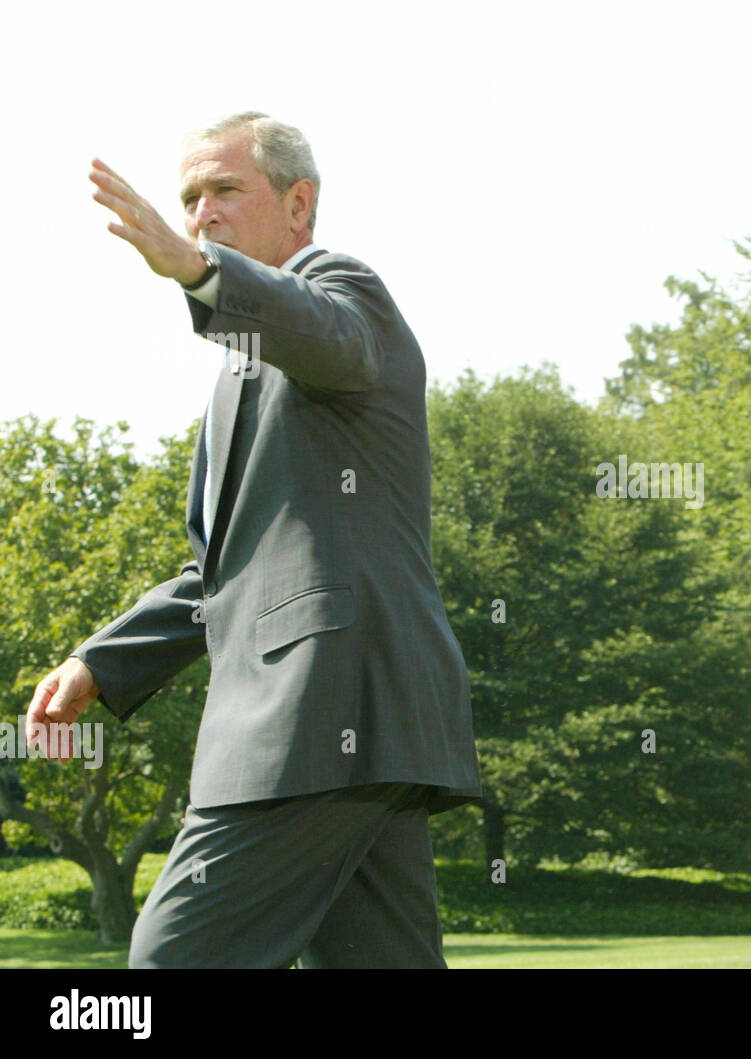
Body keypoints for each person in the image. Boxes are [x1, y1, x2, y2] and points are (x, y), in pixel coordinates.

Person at [24, 112, 481, 968]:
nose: (202, 213)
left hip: (316, 713)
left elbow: (324, 333)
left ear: (299, 203)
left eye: (225, 190)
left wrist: (201, 273)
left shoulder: (345, 291)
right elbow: (217, 576)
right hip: (366, 737)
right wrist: (101, 659)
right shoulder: (240, 373)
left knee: (168, 961)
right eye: (190, 199)